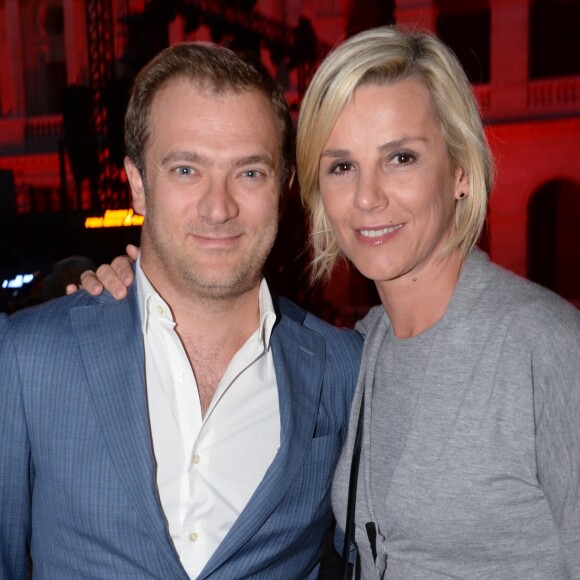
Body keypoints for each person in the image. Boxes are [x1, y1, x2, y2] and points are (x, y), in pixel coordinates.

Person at [0, 42, 363, 579]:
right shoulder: (27, 357)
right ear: (138, 184)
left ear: (283, 188)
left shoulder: (345, 367)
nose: (219, 208)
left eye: (249, 173)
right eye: (187, 170)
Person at [296, 26, 580, 578]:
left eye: (400, 157)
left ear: (461, 173)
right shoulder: (361, 348)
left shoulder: (544, 347)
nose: (367, 197)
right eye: (341, 165)